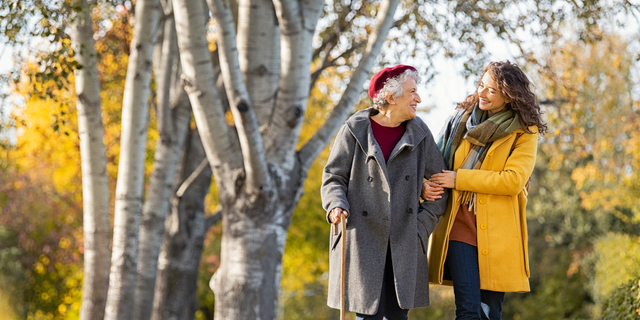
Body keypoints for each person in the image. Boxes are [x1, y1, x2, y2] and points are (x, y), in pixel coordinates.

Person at [422, 60, 548, 320]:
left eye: (491, 90)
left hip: (500, 233)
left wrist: (460, 179)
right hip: (459, 225)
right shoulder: (460, 121)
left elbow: (512, 180)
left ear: (510, 95)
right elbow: (432, 163)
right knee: (468, 309)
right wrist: (425, 185)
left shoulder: (524, 131)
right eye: (481, 85)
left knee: (491, 313)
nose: (482, 93)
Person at [321, 65, 449, 319]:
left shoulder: (420, 133)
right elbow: (333, 177)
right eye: (412, 92)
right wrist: (336, 205)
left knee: (398, 315)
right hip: (362, 239)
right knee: (367, 315)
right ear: (390, 97)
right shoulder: (354, 129)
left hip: (404, 241)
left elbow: (442, 185)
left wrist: (419, 229)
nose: (419, 99)